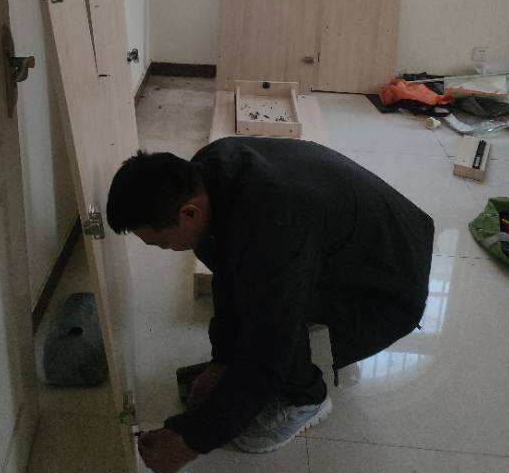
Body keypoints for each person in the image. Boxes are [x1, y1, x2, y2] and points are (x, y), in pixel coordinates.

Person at [106, 136, 434, 473]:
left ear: (189, 212)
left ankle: (306, 399)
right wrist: (222, 361)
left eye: (162, 243)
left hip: (386, 291)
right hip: (362, 247)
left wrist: (191, 440)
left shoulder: (274, 224)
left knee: (271, 310)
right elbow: (228, 273)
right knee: (255, 283)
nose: (167, 250)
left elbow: (269, 345)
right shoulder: (208, 170)